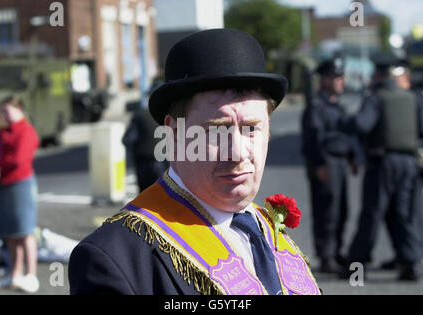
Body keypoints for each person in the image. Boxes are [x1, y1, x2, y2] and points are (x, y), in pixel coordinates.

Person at [69, 28, 321, 295]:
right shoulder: (114, 259)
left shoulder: (266, 229)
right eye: (215, 131)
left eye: (250, 129)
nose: (236, 152)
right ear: (173, 133)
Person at [339, 60, 423, 281]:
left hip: (383, 163)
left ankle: (357, 263)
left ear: (380, 78)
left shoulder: (376, 98)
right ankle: (409, 263)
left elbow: (363, 124)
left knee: (372, 212)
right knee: (405, 213)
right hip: (409, 162)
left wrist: (345, 122)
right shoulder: (413, 98)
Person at [301, 59, 359, 273]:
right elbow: (314, 137)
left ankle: (335, 251)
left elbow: (346, 134)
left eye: (342, 77)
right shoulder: (317, 106)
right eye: (337, 77)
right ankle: (326, 256)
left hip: (340, 162)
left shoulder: (338, 105)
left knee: (342, 209)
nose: (341, 81)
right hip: (326, 162)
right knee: (327, 210)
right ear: (325, 79)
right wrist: (319, 164)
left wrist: (353, 157)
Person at [0, 95, 40, 293]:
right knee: (10, 234)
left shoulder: (26, 131)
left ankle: (31, 275)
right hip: (4, 186)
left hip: (20, 185)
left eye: (8, 110)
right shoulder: (3, 132)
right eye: (4, 111)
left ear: (20, 109)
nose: (5, 114)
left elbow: (19, 159)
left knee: (25, 232)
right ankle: (15, 274)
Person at [380, 64, 423, 271]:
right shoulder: (402, 98)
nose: (394, 83)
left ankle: (413, 255)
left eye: (398, 79)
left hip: (414, 159)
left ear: (407, 79)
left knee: (410, 209)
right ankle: (402, 254)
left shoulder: (416, 98)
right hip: (407, 159)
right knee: (395, 210)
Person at [122, 79, 169, 192]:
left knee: (145, 201)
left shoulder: (141, 115)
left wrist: (135, 155)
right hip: (166, 163)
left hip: (145, 163)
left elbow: (128, 139)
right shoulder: (174, 115)